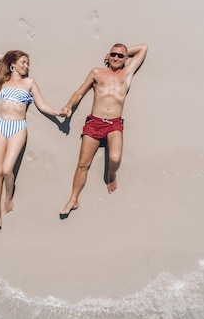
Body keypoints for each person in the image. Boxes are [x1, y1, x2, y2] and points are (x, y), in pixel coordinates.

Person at [59, 43, 148, 219]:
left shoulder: (127, 72)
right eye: (113, 55)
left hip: (114, 124)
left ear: (125, 59)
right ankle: (73, 199)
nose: (116, 58)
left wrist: (123, 52)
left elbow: (143, 48)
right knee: (83, 164)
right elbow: (79, 92)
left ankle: (111, 174)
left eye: (120, 56)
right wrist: (68, 106)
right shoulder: (96, 73)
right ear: (108, 55)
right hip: (95, 122)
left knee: (115, 158)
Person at [0, 50, 65, 229]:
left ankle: (9, 197)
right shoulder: (2, 79)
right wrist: (5, 56)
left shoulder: (29, 83)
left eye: (28, 63)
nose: (27, 66)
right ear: (13, 64)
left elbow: (41, 105)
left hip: (18, 128)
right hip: (0, 126)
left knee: (6, 170)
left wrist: (57, 112)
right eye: (23, 62)